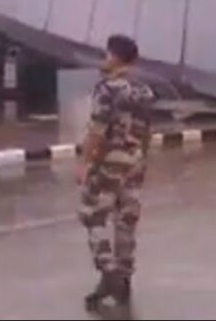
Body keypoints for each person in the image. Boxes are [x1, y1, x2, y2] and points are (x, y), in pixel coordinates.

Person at [79, 34, 155, 311]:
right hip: (135, 161)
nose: (104, 59)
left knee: (92, 213)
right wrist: (141, 159)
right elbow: (147, 132)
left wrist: (85, 164)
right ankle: (123, 277)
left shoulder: (107, 88)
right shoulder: (144, 90)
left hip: (110, 160)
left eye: (107, 54)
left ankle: (108, 271)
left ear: (114, 56)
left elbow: (97, 131)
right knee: (126, 219)